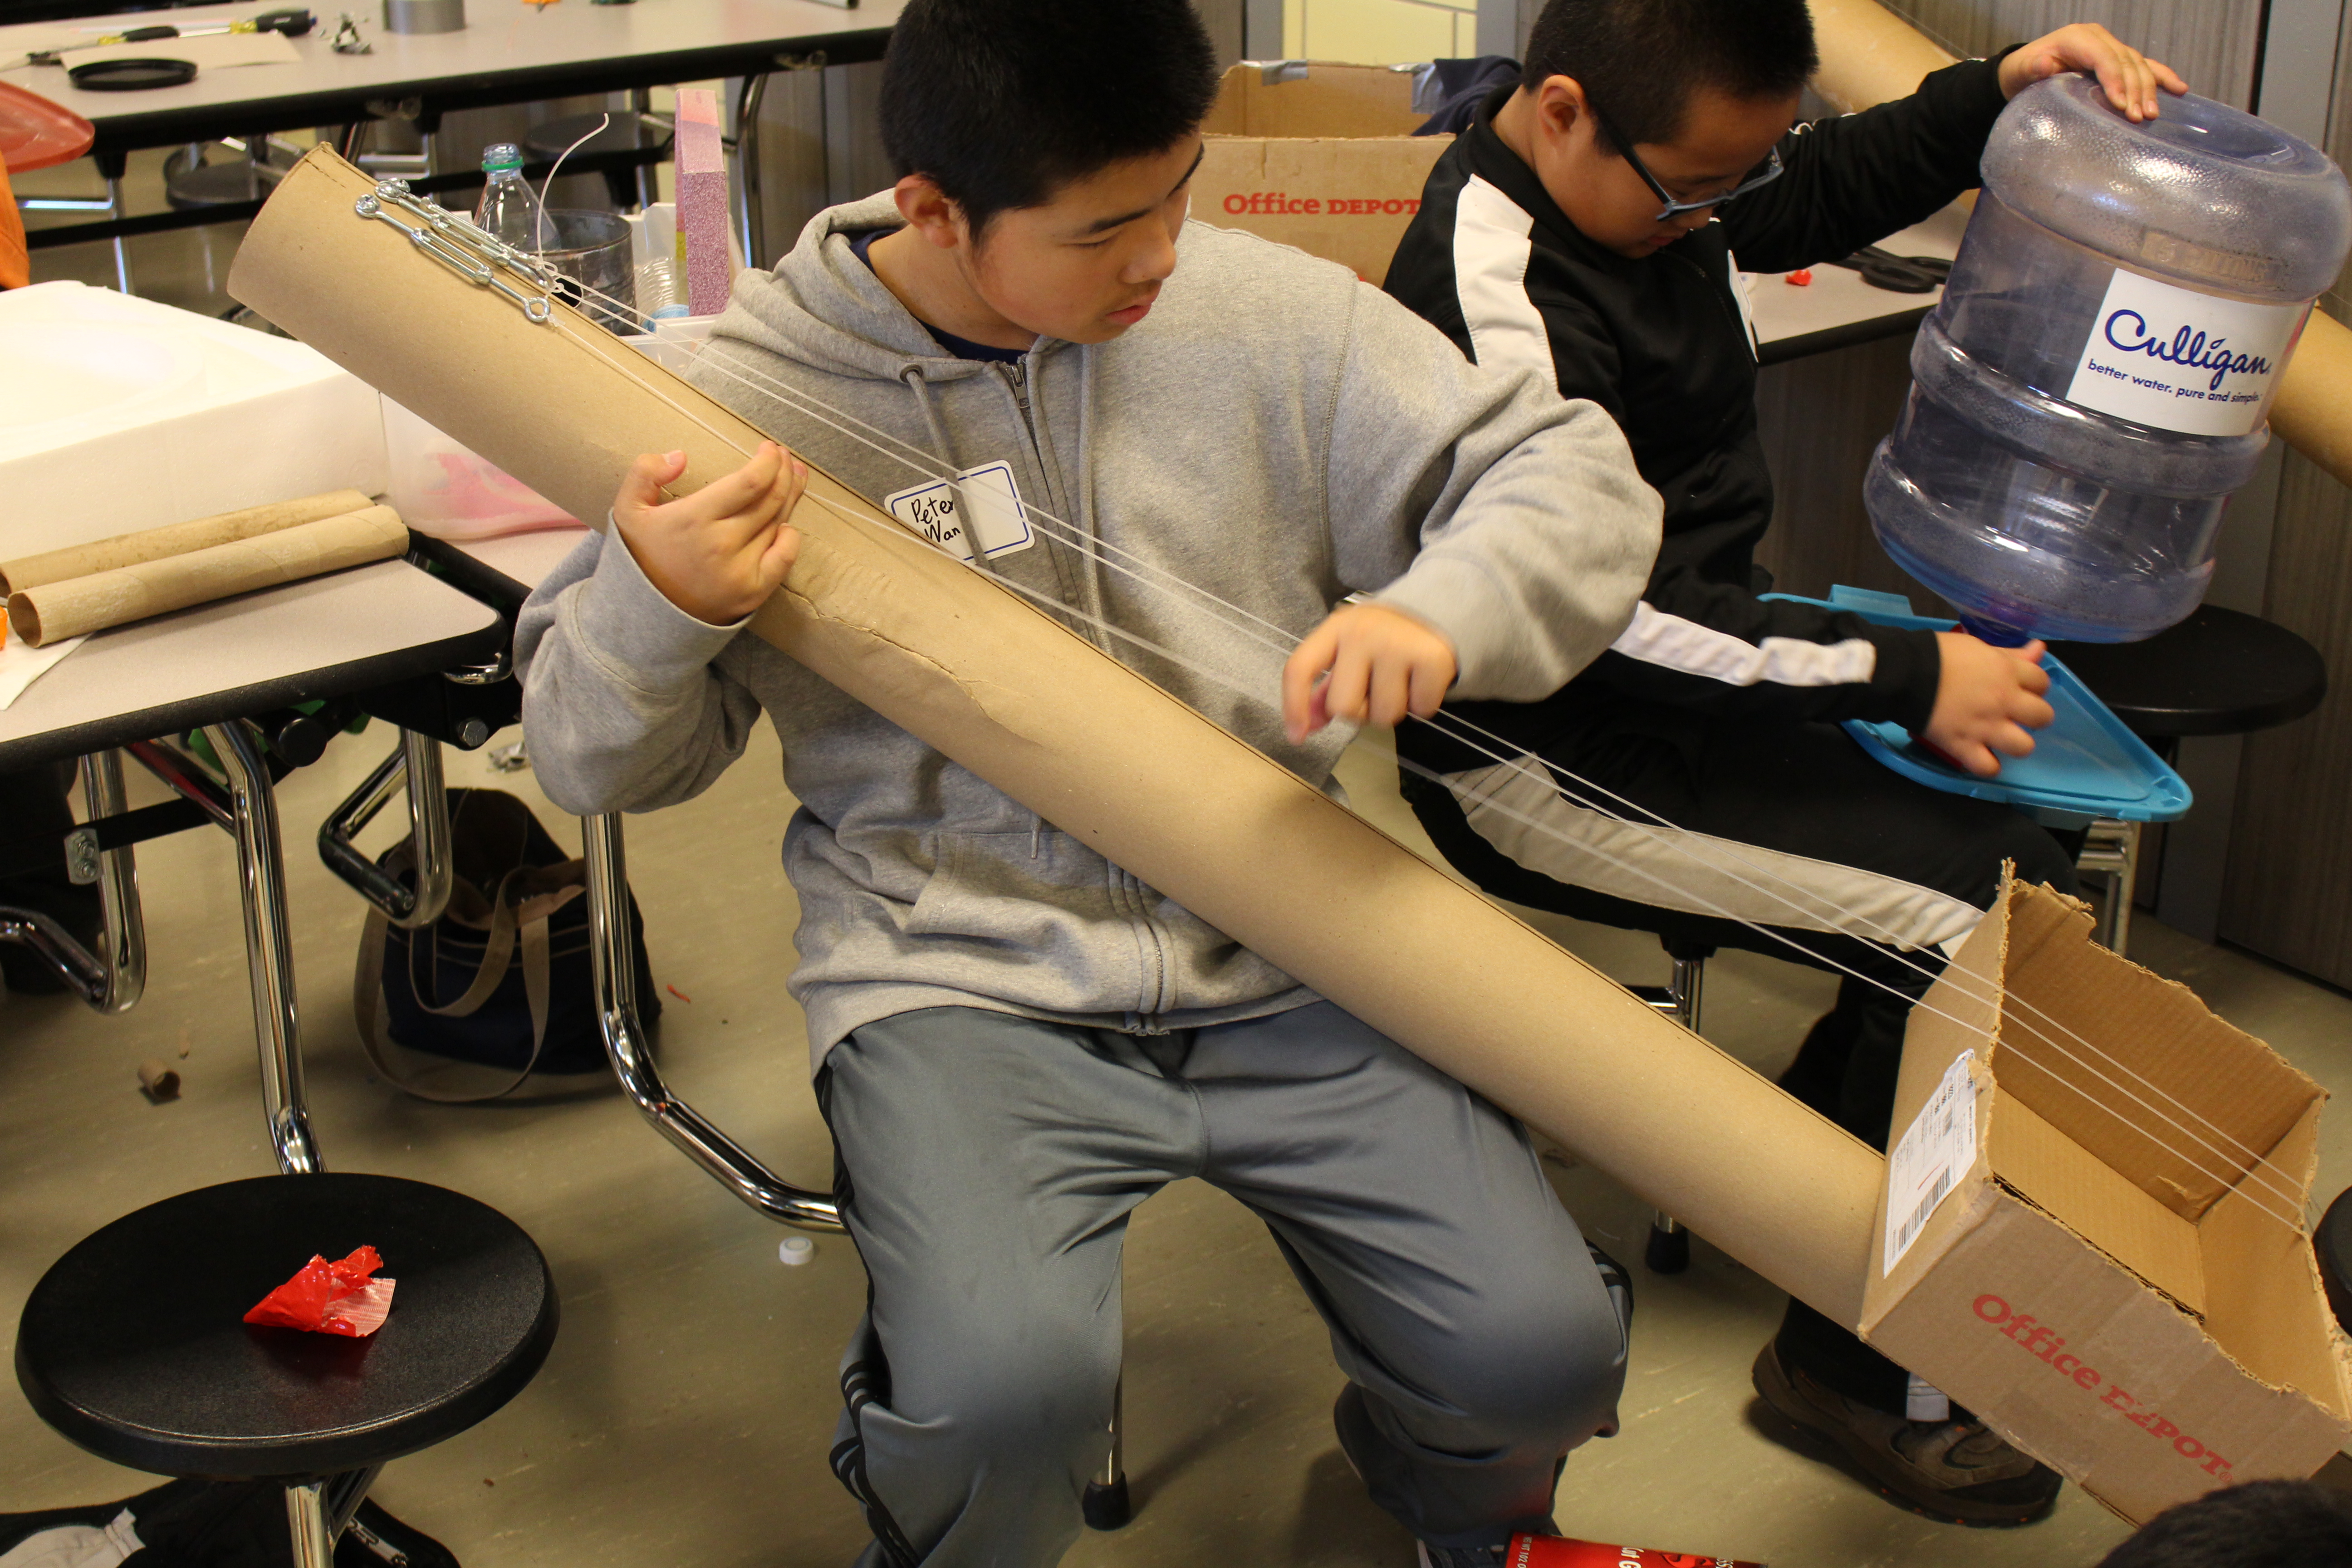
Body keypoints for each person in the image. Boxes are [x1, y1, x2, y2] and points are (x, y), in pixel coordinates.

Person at [515, 3, 1666, 1563]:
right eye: (1110, 228)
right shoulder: (734, 403)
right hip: (957, 971)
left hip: (1287, 936)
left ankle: (1452, 1515)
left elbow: (1569, 473)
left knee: (1539, 1355)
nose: (1165, 257)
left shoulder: (1266, 316)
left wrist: (1441, 606)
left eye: (1181, 192)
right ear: (932, 209)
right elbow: (592, 756)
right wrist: (662, 599)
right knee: (1004, 1405)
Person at [1380, 0, 2185, 1529]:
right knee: (1969, 928)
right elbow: (1596, 626)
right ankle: (1855, 1368)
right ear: (1560, 113)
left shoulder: (1643, 176)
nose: (1716, 219)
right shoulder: (1484, 301)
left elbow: (1807, 186)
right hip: (1551, 749)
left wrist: (1998, 86)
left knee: (2023, 850)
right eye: (1691, 190)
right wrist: (1902, 670)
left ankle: (1811, 1189)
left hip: (1700, 677)